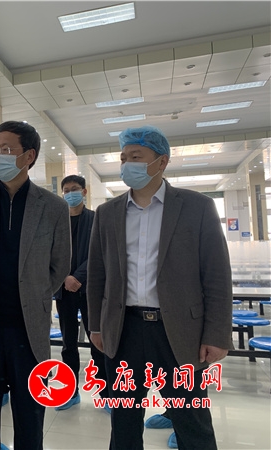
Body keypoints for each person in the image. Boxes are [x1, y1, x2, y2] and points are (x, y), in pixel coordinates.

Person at [87, 125, 232, 449]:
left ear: (162, 161)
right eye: (123, 158)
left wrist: (216, 334)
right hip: (124, 330)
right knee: (124, 421)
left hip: (179, 332)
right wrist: (96, 325)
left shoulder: (196, 207)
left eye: (136, 157)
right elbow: (97, 274)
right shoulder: (108, 213)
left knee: (192, 421)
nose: (127, 164)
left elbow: (217, 275)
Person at [0, 121, 71, 450]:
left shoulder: (53, 206)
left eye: (6, 149)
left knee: (30, 412)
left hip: (28, 327)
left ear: (29, 156)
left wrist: (34, 291)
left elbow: (60, 264)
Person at [53, 175, 109, 411]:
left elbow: (99, 253)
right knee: (68, 345)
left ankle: (106, 394)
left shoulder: (96, 220)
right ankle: (70, 392)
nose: (70, 194)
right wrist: (65, 277)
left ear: (84, 192)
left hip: (90, 291)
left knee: (98, 342)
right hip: (64, 291)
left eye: (74, 189)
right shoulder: (57, 222)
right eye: (66, 190)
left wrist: (77, 277)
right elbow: (52, 253)